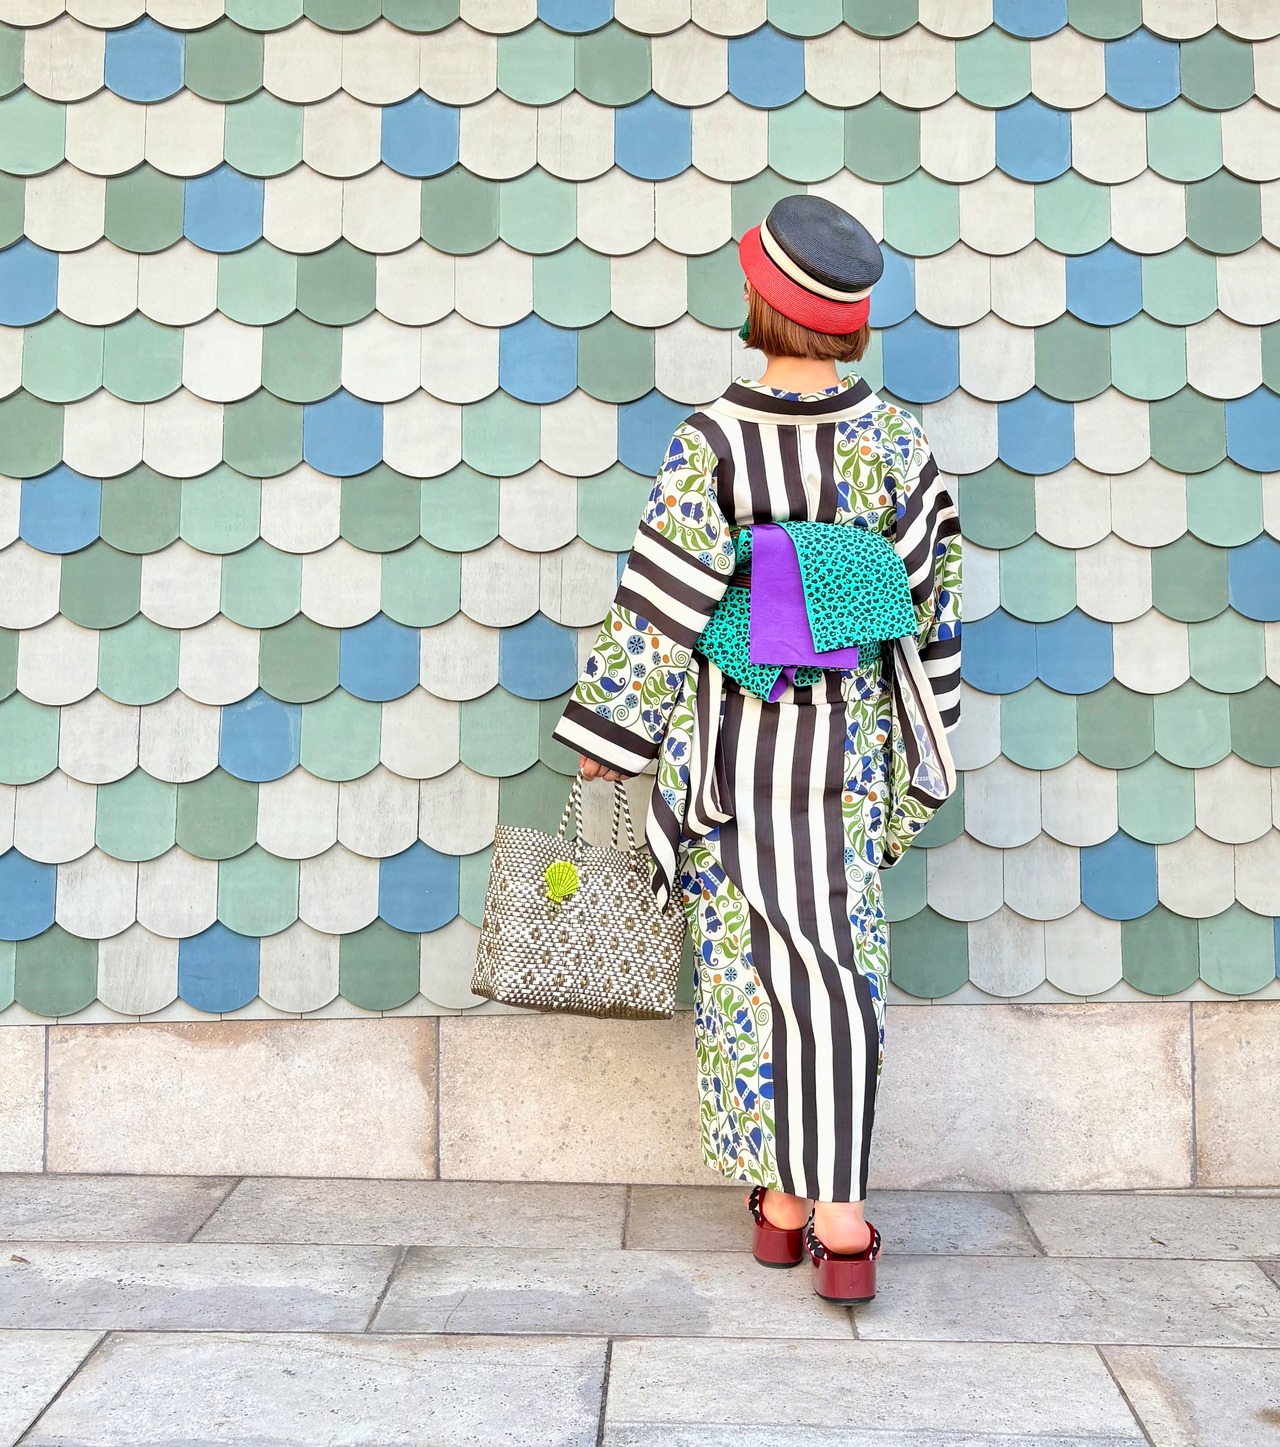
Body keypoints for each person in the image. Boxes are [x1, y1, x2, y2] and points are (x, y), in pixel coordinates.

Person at [552, 194, 961, 1303]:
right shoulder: (895, 443)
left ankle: (785, 1205)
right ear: (850, 322)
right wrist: (924, 735)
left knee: (743, 965)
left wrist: (612, 732)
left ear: (757, 304)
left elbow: (660, 602)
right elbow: (929, 606)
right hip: (846, 744)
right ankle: (835, 1219)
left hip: (731, 740)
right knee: (836, 966)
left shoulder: (713, 441)